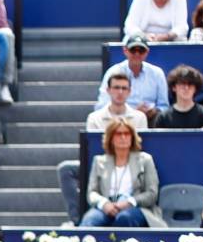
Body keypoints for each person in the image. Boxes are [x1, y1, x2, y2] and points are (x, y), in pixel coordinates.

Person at [54, 71, 147, 224]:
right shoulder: (95, 118)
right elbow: (93, 150)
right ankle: (77, 219)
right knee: (65, 169)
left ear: (129, 92)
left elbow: (138, 149)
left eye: (124, 88)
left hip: (128, 166)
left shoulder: (139, 118)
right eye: (116, 88)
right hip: (100, 165)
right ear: (108, 90)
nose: (120, 92)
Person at [77, 118, 163, 228]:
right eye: (118, 134)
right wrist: (104, 204)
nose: (123, 137)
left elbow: (152, 193)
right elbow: (91, 193)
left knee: (124, 218)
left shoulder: (145, 160)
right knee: (90, 221)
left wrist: (130, 202)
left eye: (127, 134)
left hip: (135, 207)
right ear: (111, 138)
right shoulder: (99, 161)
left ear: (132, 137)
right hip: (107, 206)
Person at [94, 34, 168, 121]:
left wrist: (154, 111)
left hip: (151, 120)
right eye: (133, 50)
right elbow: (102, 104)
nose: (137, 54)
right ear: (125, 50)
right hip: (119, 119)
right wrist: (132, 113)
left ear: (147, 52)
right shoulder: (113, 72)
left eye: (141, 51)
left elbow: (164, 106)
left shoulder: (157, 73)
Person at [153, 64, 203, 129]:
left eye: (190, 84)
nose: (186, 88)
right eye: (182, 83)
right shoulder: (163, 117)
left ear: (195, 88)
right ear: (174, 87)